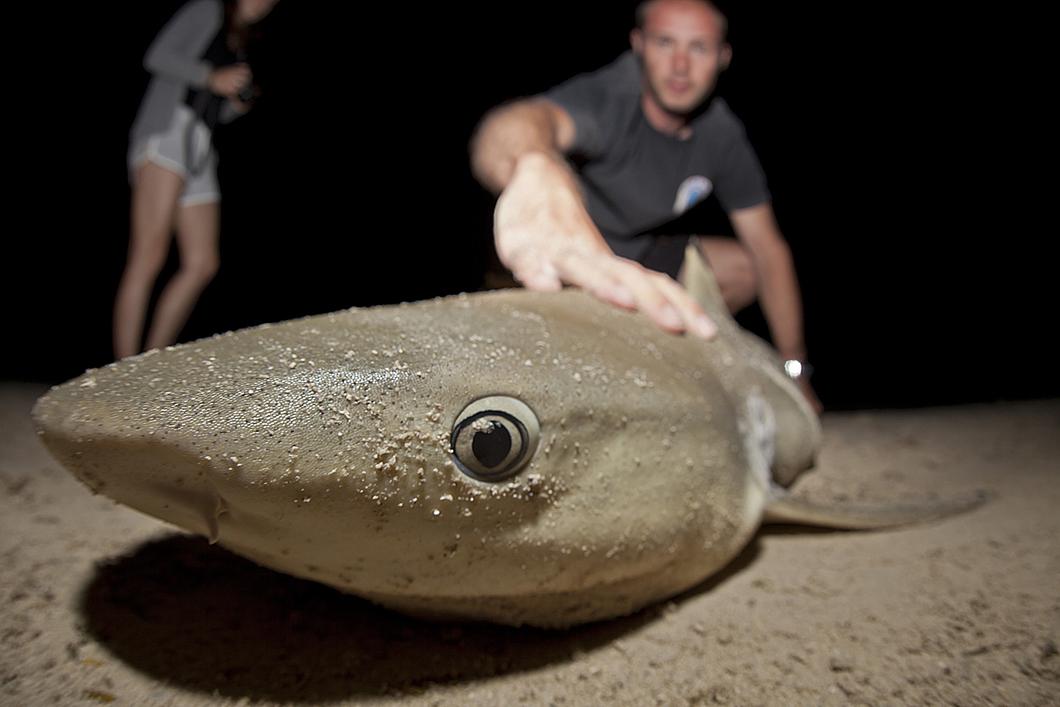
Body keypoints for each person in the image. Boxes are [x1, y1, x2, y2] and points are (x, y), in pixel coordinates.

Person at [470, 0, 822, 412]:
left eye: (698, 48)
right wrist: (535, 166)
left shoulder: (721, 133)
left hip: (640, 257)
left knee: (745, 267)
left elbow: (768, 248)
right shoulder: (611, 97)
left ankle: (655, 362)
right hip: (570, 266)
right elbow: (510, 126)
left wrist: (795, 368)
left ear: (723, 56)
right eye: (665, 42)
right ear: (639, 44)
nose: (679, 65)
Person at [113, 0, 279, 360]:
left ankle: (151, 362)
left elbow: (214, 110)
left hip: (200, 148)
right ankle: (122, 373)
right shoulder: (207, 10)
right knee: (149, 255)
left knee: (203, 263)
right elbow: (157, 56)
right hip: (168, 132)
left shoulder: (239, 39)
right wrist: (210, 76)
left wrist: (235, 105)